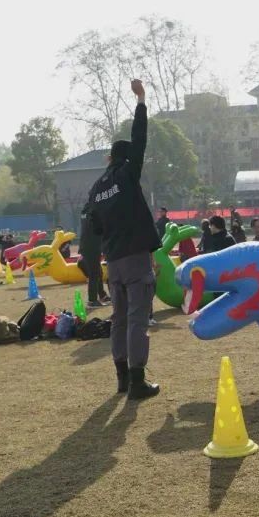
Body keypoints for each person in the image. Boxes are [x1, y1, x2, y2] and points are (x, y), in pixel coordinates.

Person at [87, 78, 162, 400]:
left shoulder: (97, 188)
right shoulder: (128, 174)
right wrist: (141, 100)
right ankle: (137, 381)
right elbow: (140, 137)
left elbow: (94, 225)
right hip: (135, 258)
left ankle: (121, 378)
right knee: (136, 320)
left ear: (109, 158)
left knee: (118, 319)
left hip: (113, 260)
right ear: (128, 157)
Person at [78, 202, 110, 307]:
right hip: (92, 246)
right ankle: (92, 300)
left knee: (98, 272)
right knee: (94, 274)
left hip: (87, 246)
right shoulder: (94, 210)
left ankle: (102, 295)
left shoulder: (85, 210)